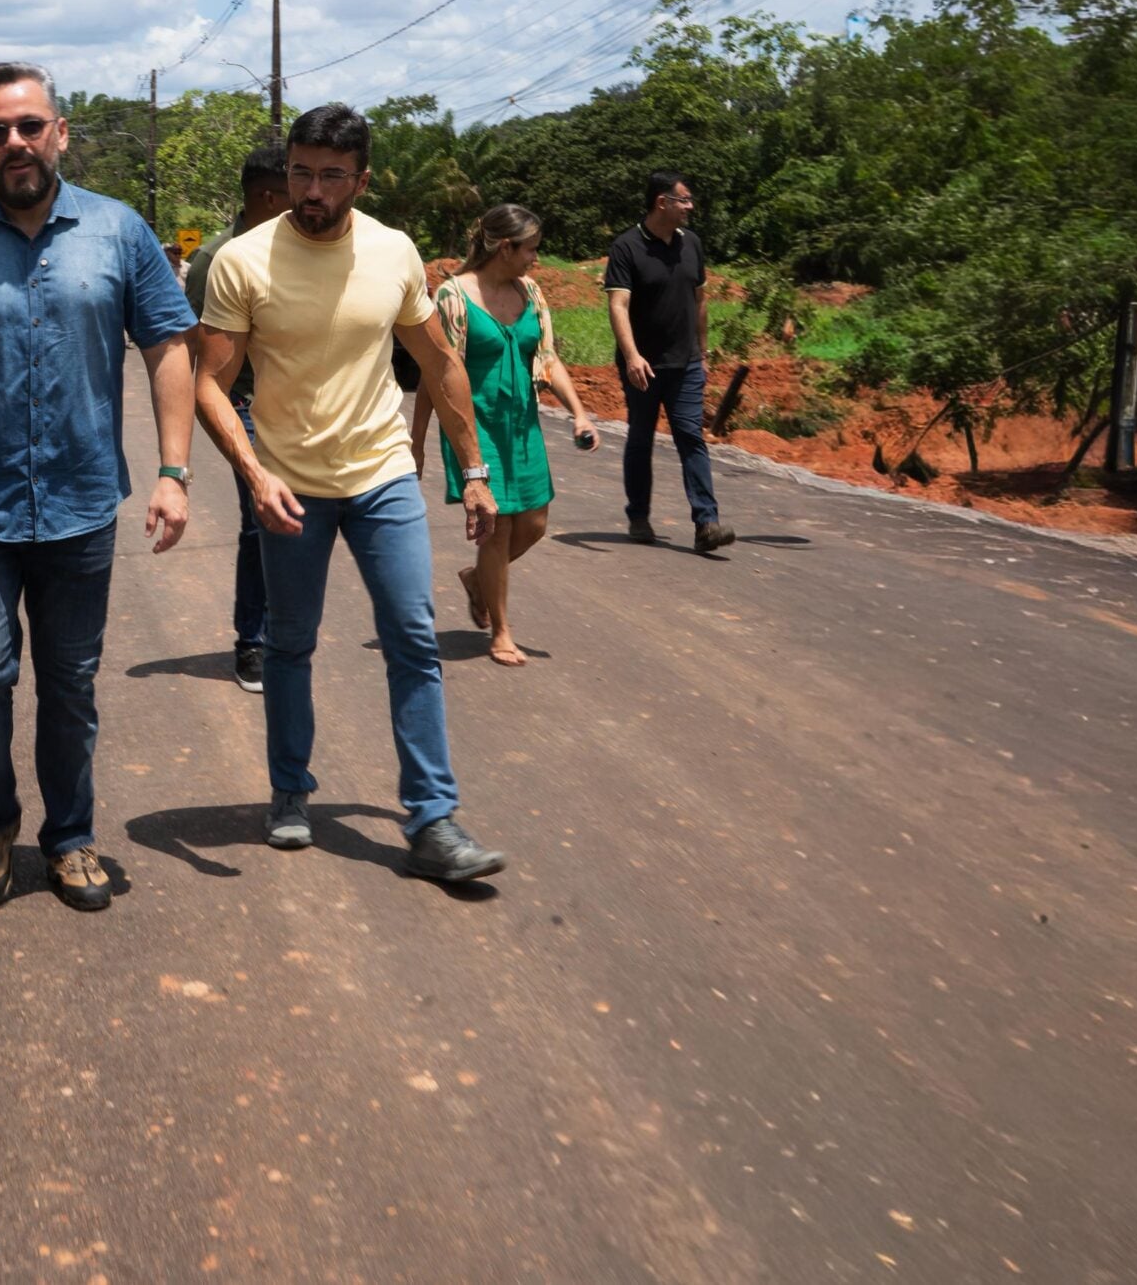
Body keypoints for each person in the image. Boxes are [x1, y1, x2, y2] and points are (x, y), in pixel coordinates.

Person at [0, 61, 199, 913]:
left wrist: (173, 470)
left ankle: (71, 836)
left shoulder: (120, 231)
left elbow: (169, 345)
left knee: (71, 681)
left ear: (60, 131)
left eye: (29, 126)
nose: (14, 143)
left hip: (82, 499)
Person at [196, 102, 509, 884]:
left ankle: (433, 820)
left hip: (382, 476)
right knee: (290, 645)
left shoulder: (394, 252)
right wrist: (254, 471)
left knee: (412, 636)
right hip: (291, 485)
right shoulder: (243, 260)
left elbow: (437, 363)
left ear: (361, 180)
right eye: (301, 170)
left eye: (332, 175)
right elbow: (209, 382)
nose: (312, 187)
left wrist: (472, 470)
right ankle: (290, 792)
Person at [416, 204, 599, 667]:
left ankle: (479, 580)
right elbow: (435, 373)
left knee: (534, 524)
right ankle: (501, 631)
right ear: (505, 247)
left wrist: (579, 413)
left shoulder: (531, 293)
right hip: (475, 429)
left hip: (521, 427)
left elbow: (549, 358)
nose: (536, 259)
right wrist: (415, 441)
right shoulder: (455, 296)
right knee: (496, 530)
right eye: (531, 250)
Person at [182, 142, 291, 692]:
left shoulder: (299, 247)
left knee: (300, 522)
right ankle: (252, 642)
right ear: (270, 198)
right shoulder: (214, 259)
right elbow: (194, 355)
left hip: (298, 408)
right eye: (297, 189)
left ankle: (286, 633)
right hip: (243, 407)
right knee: (260, 520)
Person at [606, 172, 735, 553]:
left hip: (687, 364)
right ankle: (638, 515)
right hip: (642, 366)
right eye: (685, 200)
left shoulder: (691, 243)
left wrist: (703, 352)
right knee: (640, 439)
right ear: (662, 202)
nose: (690, 207)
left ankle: (706, 524)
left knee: (691, 437)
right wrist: (631, 356)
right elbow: (618, 305)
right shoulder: (627, 247)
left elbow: (700, 301)